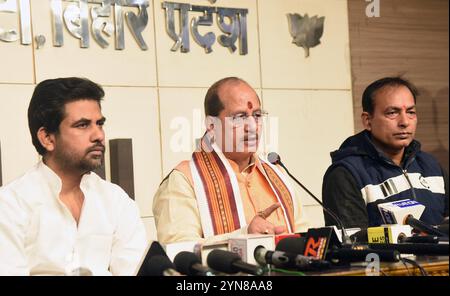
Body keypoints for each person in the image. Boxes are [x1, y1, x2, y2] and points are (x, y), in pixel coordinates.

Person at [0, 77, 147, 275]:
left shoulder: (115, 200)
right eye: (83, 125)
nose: (99, 135)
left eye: (100, 123)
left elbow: (135, 270)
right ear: (47, 138)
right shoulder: (10, 205)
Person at [153, 77, 309, 245]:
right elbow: (178, 250)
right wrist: (243, 237)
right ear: (212, 126)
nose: (252, 126)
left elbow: (304, 236)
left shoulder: (277, 175)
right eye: (239, 117)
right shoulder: (184, 181)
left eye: (257, 115)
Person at [322, 77, 449, 228]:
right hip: (379, 253)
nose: (404, 122)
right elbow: (352, 245)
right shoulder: (346, 173)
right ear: (368, 121)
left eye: (411, 112)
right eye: (392, 113)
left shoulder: (431, 166)